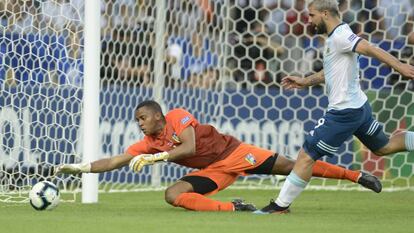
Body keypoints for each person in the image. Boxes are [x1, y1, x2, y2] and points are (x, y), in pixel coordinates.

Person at [56, 100, 381, 212]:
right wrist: (80, 167)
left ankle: (357, 176)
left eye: (142, 118)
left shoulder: (177, 117)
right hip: (214, 171)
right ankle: (234, 207)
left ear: (157, 115)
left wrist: (156, 159)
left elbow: (189, 148)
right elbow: (114, 161)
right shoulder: (149, 141)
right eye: (137, 121)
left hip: (235, 152)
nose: (140, 125)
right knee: (173, 194)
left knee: (291, 166)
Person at [254, 0, 414, 214]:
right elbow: (331, 70)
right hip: (360, 107)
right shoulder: (336, 37)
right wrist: (306, 80)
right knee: (383, 147)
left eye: (312, 15)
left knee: (306, 155)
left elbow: (368, 47)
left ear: (326, 13)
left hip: (344, 112)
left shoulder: (340, 36)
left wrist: (400, 66)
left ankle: (279, 206)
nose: (309, 20)